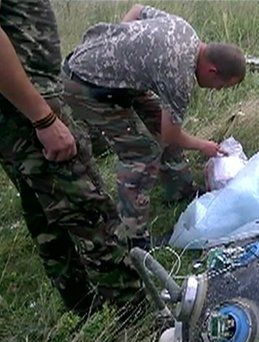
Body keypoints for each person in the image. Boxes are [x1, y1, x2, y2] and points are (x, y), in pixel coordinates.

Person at [62, 4, 246, 248]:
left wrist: (122, 48)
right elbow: (171, 135)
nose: (217, 91)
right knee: (142, 153)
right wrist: (204, 146)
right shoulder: (180, 76)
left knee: (158, 118)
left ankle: (180, 190)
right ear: (212, 70)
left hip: (107, 72)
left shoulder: (186, 31)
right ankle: (134, 239)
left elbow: (137, 10)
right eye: (220, 86)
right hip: (84, 83)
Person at [0, 0, 141, 316]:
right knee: (89, 209)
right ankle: (134, 312)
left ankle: (83, 308)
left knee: (44, 209)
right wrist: (43, 119)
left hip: (17, 105)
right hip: (28, 104)